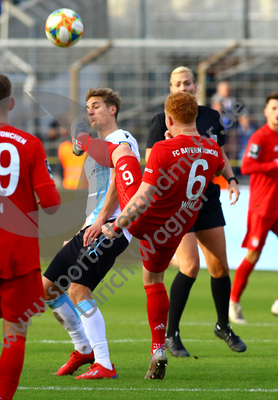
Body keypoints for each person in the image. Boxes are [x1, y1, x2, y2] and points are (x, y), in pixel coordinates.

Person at [78, 91, 226, 379]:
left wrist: (116, 224)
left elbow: (143, 198)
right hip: (176, 228)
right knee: (154, 279)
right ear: (195, 116)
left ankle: (100, 146)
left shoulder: (162, 148)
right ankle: (158, 348)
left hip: (143, 222)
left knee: (124, 161)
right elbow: (220, 166)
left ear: (169, 119)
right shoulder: (212, 149)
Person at [145, 66, 246, 358]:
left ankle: (223, 326)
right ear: (171, 89)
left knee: (220, 268)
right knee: (189, 267)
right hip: (177, 207)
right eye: (178, 84)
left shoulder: (212, 118)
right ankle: (171, 334)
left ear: (195, 86)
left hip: (207, 201)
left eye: (188, 82)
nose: (184, 87)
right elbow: (153, 167)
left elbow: (220, 154)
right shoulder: (160, 120)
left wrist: (232, 180)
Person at [42, 87, 140, 380]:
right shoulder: (95, 151)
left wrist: (99, 223)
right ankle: (83, 348)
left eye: (97, 105)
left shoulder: (121, 140)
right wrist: (82, 229)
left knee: (78, 289)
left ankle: (104, 363)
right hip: (92, 226)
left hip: (112, 228)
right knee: (47, 287)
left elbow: (116, 188)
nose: (91, 111)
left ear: (113, 110)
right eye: (88, 107)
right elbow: (97, 196)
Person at [0, 74, 61, 400]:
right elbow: (51, 205)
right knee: (14, 333)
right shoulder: (30, 144)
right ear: (11, 103)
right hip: (16, 252)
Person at [229, 91, 278, 323]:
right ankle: (234, 302)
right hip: (262, 205)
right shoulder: (260, 137)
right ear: (266, 111)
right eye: (274, 108)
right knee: (253, 254)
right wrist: (273, 164)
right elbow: (247, 165)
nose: (277, 114)